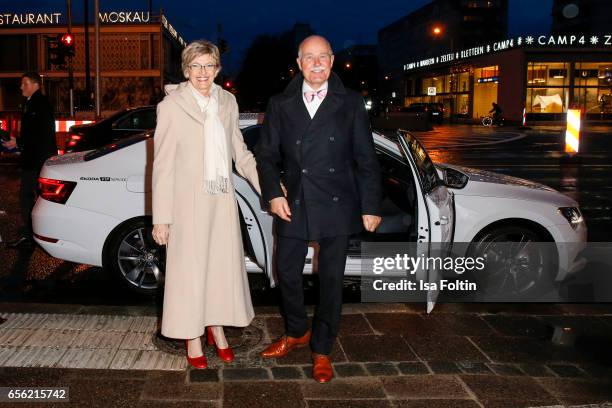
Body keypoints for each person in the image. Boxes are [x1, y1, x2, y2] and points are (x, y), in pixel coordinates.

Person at [255, 35, 382, 383]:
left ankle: (322, 348)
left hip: (337, 202)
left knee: (331, 280)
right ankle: (297, 331)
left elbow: (365, 157)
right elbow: (265, 155)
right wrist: (273, 194)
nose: (315, 64)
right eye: (308, 58)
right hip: (293, 201)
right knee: (286, 273)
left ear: (332, 61)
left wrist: (370, 204)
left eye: (321, 57)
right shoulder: (281, 103)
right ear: (298, 63)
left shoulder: (351, 102)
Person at [151, 40, 261, 369]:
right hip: (186, 203)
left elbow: (240, 154)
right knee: (189, 273)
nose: (202, 72)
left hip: (220, 200)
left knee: (219, 268)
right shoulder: (171, 106)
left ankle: (216, 327)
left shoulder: (228, 102)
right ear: (186, 70)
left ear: (217, 69)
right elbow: (162, 165)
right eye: (196, 66)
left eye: (209, 65)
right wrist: (162, 218)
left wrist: (269, 188)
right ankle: (192, 336)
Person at [3, 72, 57, 248]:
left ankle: (30, 236)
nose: (21, 87)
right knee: (37, 198)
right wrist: (19, 146)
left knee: (28, 198)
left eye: (25, 83)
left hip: (37, 161)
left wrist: (18, 143)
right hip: (35, 159)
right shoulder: (32, 103)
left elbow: (40, 133)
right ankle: (38, 233)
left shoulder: (39, 104)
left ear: (35, 85)